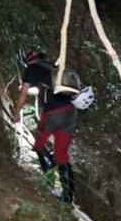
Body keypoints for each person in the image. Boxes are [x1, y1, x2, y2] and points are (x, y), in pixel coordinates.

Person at [12, 50, 80, 204]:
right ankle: (68, 197)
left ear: (29, 61)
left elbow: (23, 94)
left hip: (53, 112)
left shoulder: (32, 69)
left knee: (39, 144)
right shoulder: (52, 68)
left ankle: (48, 179)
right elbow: (44, 89)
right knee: (62, 153)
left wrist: (16, 113)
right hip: (70, 111)